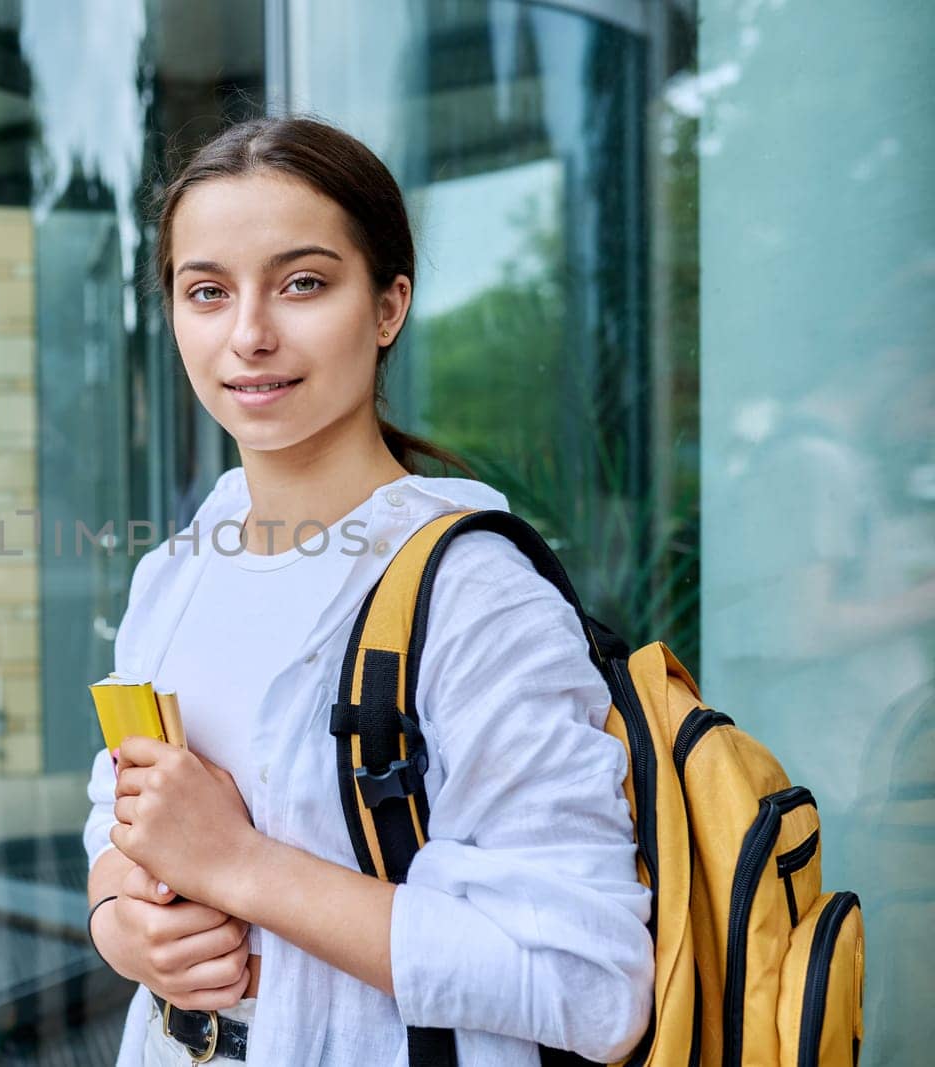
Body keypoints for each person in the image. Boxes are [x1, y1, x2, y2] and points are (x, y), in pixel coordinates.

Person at [82, 118, 654, 1065]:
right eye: (208, 291)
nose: (250, 334)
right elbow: (121, 809)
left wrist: (241, 866)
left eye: (302, 282)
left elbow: (589, 983)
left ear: (389, 307)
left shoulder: (473, 594)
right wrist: (117, 914)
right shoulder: (178, 570)